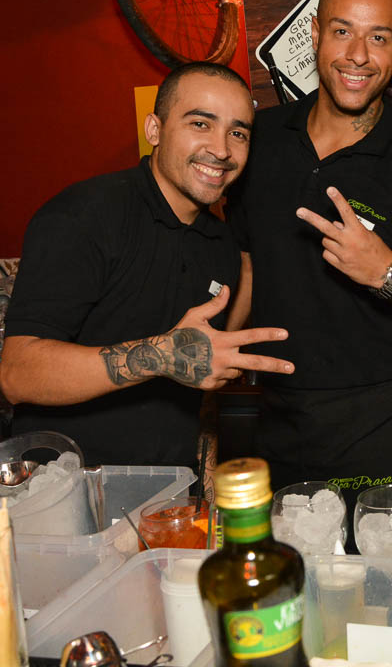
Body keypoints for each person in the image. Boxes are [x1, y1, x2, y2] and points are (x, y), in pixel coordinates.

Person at [224, 0, 392, 552]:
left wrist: (389, 276)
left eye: (379, 37)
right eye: (342, 31)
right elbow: (249, 264)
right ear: (315, 35)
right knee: (294, 598)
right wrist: (209, 363)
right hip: (278, 428)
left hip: (382, 434)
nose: (358, 55)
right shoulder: (258, 142)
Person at [0, 62, 294, 467]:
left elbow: (196, 381)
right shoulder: (85, 215)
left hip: (170, 491)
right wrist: (161, 355)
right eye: (200, 124)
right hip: (66, 488)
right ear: (154, 130)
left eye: (238, 133)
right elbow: (17, 374)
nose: (222, 149)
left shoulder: (220, 244)